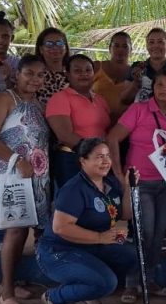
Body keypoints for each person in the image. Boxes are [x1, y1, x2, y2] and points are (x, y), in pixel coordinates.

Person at [36, 138, 138, 304]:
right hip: (58, 251)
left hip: (87, 246)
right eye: (99, 157)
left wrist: (129, 188)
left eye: (107, 156)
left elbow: (126, 215)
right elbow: (60, 227)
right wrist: (100, 237)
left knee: (130, 255)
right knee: (107, 283)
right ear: (83, 161)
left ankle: (86, 292)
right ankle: (54, 298)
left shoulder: (110, 183)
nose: (106, 161)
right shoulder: (74, 189)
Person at [0, 55, 52, 304]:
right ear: (17, 74)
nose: (35, 79)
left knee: (26, 230)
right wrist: (16, 160)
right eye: (29, 73)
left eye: (40, 75)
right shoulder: (4, 99)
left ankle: (8, 283)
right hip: (9, 172)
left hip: (35, 175)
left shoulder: (38, 104)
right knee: (14, 230)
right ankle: (6, 292)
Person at [108, 69, 166, 302]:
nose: (164, 89)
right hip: (140, 182)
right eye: (160, 84)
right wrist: (119, 173)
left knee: (159, 234)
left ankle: (148, 278)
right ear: (153, 88)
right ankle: (132, 282)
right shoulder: (139, 110)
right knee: (144, 232)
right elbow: (112, 138)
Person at [46, 54, 112, 189]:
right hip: (72, 160)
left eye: (88, 70)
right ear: (68, 75)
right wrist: (93, 153)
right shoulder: (60, 98)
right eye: (77, 71)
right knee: (75, 205)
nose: (84, 74)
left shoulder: (101, 99)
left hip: (100, 161)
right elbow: (64, 135)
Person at [122, 27, 166, 104]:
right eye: (151, 42)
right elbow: (125, 100)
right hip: (140, 115)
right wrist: (136, 81)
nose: (156, 46)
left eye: (160, 42)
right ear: (147, 46)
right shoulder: (137, 67)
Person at [92, 31, 132, 122]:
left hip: (123, 125)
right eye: (116, 45)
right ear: (110, 48)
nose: (120, 50)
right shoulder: (96, 67)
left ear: (131, 50)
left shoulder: (135, 73)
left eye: (125, 46)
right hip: (95, 121)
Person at [33, 27, 70, 106]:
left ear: (65, 48)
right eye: (49, 44)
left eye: (59, 43)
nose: (55, 47)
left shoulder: (73, 72)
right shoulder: (34, 74)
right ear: (41, 49)